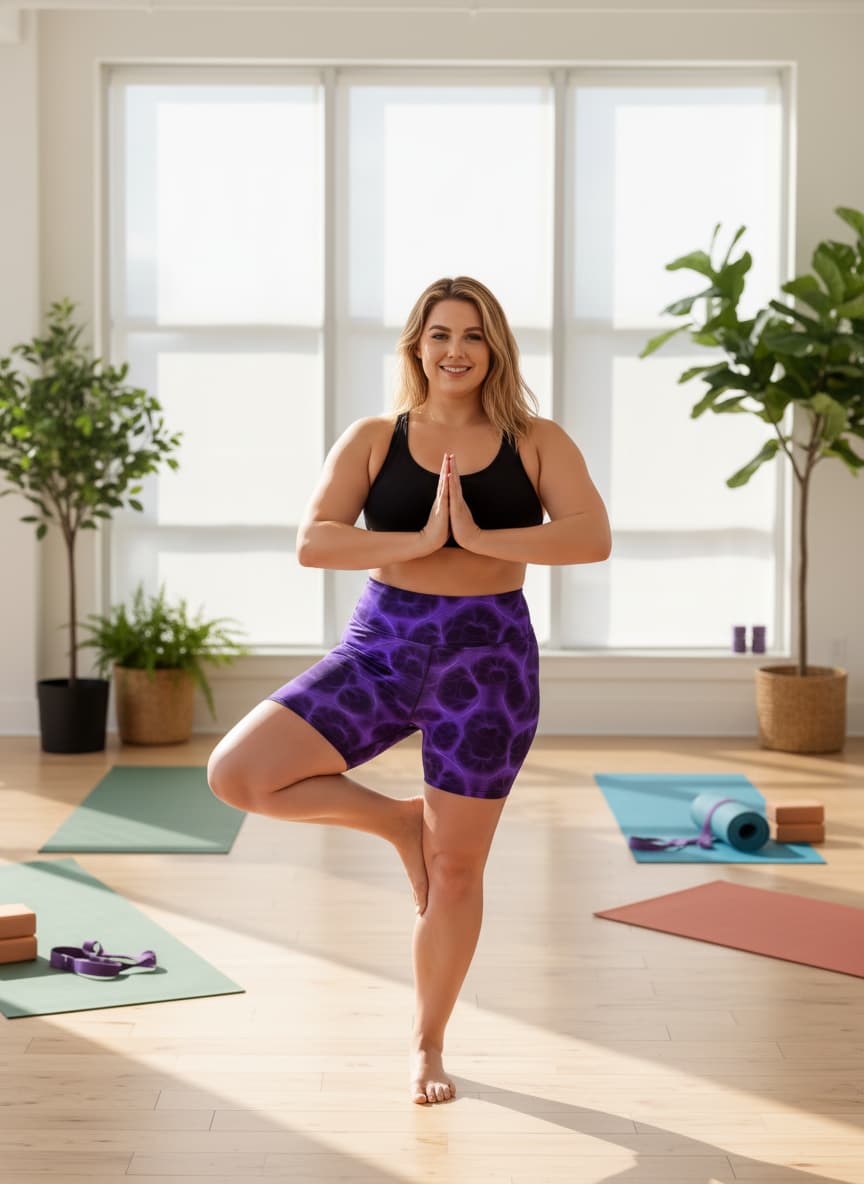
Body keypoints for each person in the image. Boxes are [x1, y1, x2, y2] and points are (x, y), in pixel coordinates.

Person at [207, 275, 612, 1106]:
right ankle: (396, 823)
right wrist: (422, 536)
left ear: (493, 345)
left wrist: (477, 534)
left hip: (487, 659)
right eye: (439, 334)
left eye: (472, 334)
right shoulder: (372, 438)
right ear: (416, 346)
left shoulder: (535, 440)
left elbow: (591, 536)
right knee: (238, 772)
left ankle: (428, 1047)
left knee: (457, 872)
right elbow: (315, 541)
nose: (455, 350)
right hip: (383, 643)